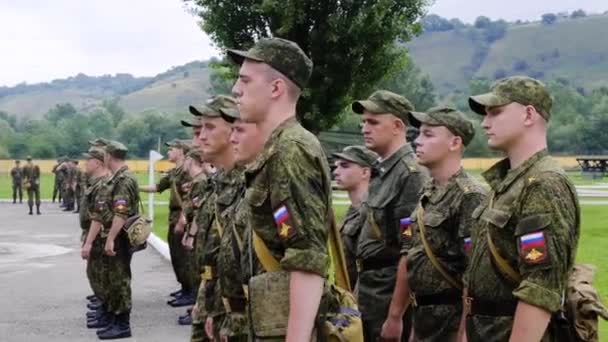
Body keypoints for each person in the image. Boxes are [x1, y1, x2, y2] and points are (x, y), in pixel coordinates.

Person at [229, 37, 332, 341]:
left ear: (276, 89)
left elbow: (306, 258)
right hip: (271, 319)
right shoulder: (277, 148)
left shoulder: (291, 150)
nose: (236, 90)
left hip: (286, 328)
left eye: (245, 81)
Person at [463, 76, 580, 341]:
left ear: (528, 114)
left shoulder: (544, 184)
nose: (484, 122)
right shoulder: (507, 183)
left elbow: (540, 289)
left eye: (495, 112)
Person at [380, 107, 486, 341]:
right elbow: (410, 255)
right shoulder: (427, 192)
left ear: (454, 142)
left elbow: (475, 272)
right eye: (419, 134)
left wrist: (464, 332)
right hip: (423, 318)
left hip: (451, 321)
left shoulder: (469, 196)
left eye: (428, 135)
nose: (417, 141)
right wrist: (396, 315)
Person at [352, 90, 428, 340]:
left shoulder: (410, 174)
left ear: (397, 125)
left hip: (388, 295)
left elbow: (410, 251)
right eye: (363, 122)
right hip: (369, 291)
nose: (364, 128)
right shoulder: (382, 169)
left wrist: (395, 316)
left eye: (372, 122)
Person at [185, 95, 240, 341]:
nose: (200, 138)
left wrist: (228, 311)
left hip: (233, 310)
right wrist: (204, 299)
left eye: (209, 128)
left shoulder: (247, 183)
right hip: (213, 296)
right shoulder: (220, 182)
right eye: (199, 130)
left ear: (233, 131)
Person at [140, 139, 195, 308]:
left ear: (181, 151)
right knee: (176, 255)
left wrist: (182, 220)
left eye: (172, 149)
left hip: (182, 217)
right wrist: (137, 188)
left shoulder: (187, 173)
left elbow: (189, 198)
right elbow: (157, 187)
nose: (169, 152)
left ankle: (191, 291)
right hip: (174, 217)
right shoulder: (174, 172)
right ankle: (184, 287)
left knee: (185, 258)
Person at [96, 140, 141, 340]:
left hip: (121, 237)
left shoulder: (123, 180)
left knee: (120, 279)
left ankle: (123, 324)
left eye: (104, 154)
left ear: (109, 156)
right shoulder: (121, 177)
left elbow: (120, 213)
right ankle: (116, 319)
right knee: (115, 279)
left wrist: (110, 239)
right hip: (119, 235)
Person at [331, 146, 377, 290]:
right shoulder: (353, 210)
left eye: (344, 166)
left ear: (365, 172)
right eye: (336, 166)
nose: (336, 172)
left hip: (365, 297)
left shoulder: (373, 213)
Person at [80, 147, 112, 330]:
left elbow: (98, 217)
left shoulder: (103, 185)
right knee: (96, 276)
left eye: (89, 160)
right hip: (92, 234)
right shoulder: (96, 183)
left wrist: (89, 241)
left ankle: (108, 313)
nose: (86, 163)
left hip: (100, 236)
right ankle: (104, 310)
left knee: (101, 276)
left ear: (98, 163)